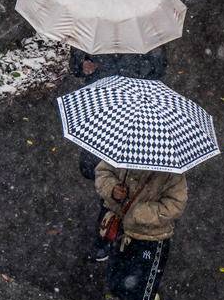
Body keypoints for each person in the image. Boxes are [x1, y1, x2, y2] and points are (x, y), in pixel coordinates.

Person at [70, 46, 167, 261]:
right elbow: (76, 64)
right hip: (102, 106)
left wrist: (137, 70)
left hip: (135, 107)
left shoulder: (145, 28)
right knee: (105, 174)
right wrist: (82, 66)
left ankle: (113, 235)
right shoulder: (94, 20)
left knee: (126, 176)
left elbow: (158, 69)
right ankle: (109, 231)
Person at [94, 161, 187, 300]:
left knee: (137, 299)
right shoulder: (125, 152)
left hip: (152, 241)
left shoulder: (172, 171)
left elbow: (176, 204)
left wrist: (139, 213)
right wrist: (113, 191)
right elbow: (102, 172)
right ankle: (148, 298)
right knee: (115, 283)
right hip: (122, 234)